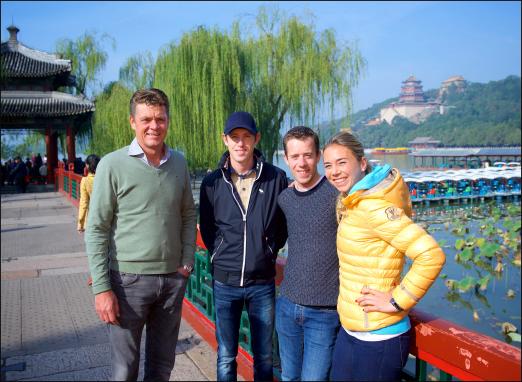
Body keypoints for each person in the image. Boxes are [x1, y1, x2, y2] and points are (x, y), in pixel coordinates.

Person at [85, 88, 197, 381]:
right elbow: (97, 228)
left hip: (172, 280)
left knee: (162, 366)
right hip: (127, 281)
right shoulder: (112, 164)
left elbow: (187, 214)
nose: (154, 126)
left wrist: (187, 261)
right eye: (146, 119)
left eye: (160, 119)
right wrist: (101, 287)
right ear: (132, 122)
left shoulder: (179, 163)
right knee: (125, 370)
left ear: (168, 121)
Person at [322, 131, 445, 381]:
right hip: (352, 329)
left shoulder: (374, 207)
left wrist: (396, 301)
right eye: (328, 165)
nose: (334, 171)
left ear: (362, 163)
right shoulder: (351, 202)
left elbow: (431, 255)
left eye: (342, 162)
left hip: (381, 336)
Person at [199, 111, 288, 381]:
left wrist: (268, 251)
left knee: (263, 356)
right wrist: (219, 254)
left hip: (262, 283)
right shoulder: (212, 182)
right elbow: (207, 227)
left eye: (246, 137)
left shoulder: (276, 178)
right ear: (225, 140)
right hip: (225, 283)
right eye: (234, 137)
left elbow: (282, 227)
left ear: (256, 139)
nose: (240, 143)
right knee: (226, 354)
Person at [275, 126, 340, 381]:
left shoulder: (337, 196)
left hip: (324, 312)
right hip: (287, 305)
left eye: (308, 155)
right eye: (295, 156)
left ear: (318, 155)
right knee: (289, 377)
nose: (301, 163)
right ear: (286, 158)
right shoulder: (285, 199)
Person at [77, 154, 100, 233]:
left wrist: (81, 223)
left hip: (92, 218)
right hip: (108, 217)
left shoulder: (85, 181)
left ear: (87, 165)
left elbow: (84, 202)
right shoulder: (105, 178)